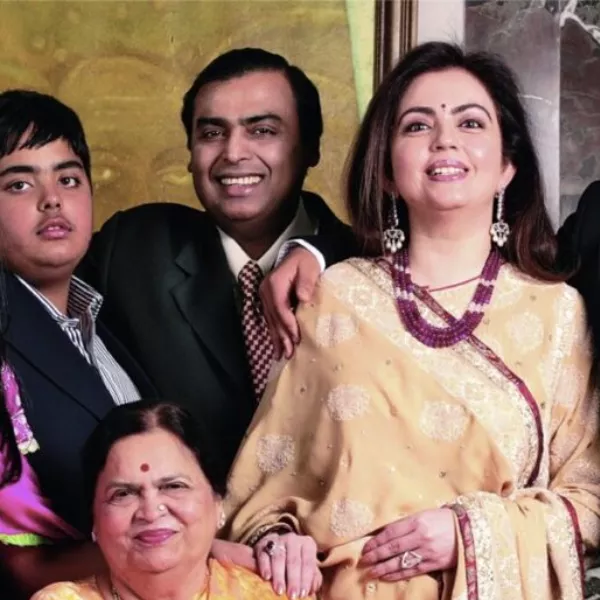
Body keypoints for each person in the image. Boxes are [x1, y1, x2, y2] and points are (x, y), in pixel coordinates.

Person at [224, 42, 600, 599]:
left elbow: (590, 500)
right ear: (386, 171)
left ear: (507, 166)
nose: (445, 140)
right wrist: (278, 542)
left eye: (470, 123)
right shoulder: (333, 296)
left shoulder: (558, 313)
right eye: (418, 126)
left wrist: (468, 534)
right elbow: (260, 492)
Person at [77, 48, 353, 484]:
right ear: (190, 151)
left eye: (262, 131)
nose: (234, 153)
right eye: (212, 133)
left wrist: (321, 251)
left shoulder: (367, 263)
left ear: (310, 147)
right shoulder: (135, 248)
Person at [0, 90, 158, 597]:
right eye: (19, 184)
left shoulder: (107, 324)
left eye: (68, 179)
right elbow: (16, 561)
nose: (52, 199)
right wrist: (200, 549)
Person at [31, 400, 317, 600]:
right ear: (94, 519)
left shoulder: (273, 592)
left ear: (218, 503)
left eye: (173, 486)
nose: (151, 511)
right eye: (123, 494)